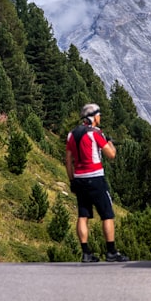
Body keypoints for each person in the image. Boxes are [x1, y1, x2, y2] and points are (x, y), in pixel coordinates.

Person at [65, 103, 129, 263]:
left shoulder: (71, 134)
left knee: (83, 214)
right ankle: (111, 252)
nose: (100, 117)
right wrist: (109, 141)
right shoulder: (95, 134)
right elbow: (111, 155)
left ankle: (86, 253)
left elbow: (68, 160)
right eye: (99, 114)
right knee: (107, 214)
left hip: (79, 178)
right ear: (93, 117)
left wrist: (72, 180)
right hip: (95, 177)